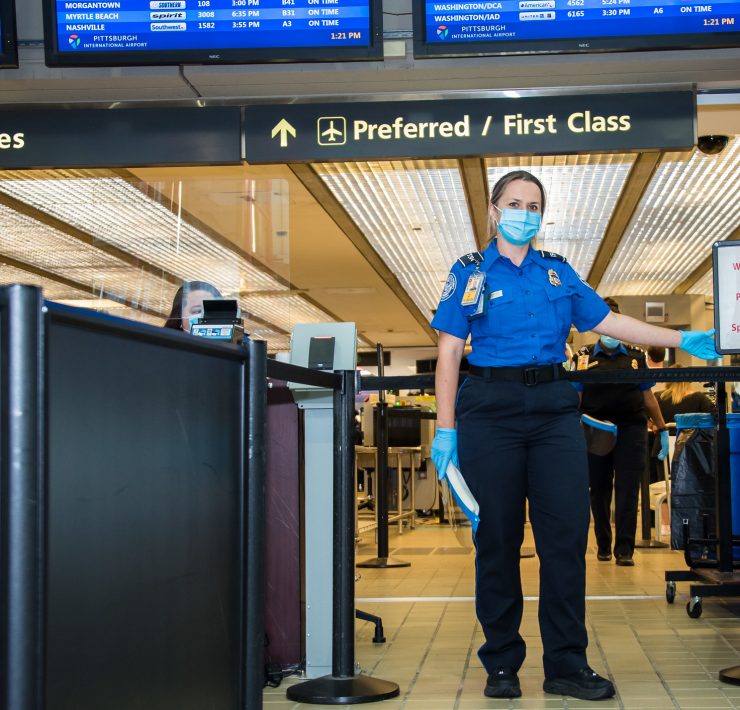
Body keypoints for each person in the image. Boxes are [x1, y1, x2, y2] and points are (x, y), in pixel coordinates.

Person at [429, 169, 719, 702]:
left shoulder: (558, 273)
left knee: (565, 537)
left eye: (534, 206)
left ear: (542, 215)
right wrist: (445, 430)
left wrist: (682, 338)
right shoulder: (469, 271)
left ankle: (566, 662)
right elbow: (450, 350)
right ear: (494, 211)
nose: (524, 213)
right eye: (514, 203)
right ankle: (501, 663)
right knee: (497, 538)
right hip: (489, 410)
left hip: (554, 410)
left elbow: (609, 322)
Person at [573, 298, 669, 568]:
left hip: (631, 429)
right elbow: (576, 397)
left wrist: (661, 426)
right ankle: (603, 543)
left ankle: (624, 548)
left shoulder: (636, 358)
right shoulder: (584, 357)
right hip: (595, 429)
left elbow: (648, 396)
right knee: (599, 489)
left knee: (628, 490)